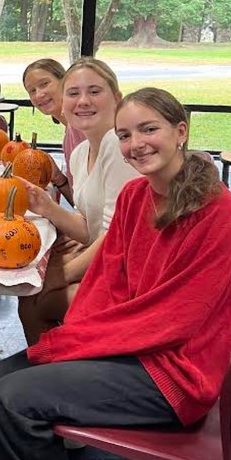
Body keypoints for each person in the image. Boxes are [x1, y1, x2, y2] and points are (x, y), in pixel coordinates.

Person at [0, 88, 231, 460]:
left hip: (173, 371)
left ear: (181, 132)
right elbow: (107, 278)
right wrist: (79, 332)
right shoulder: (138, 195)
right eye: (125, 134)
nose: (136, 143)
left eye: (149, 129)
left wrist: (87, 342)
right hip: (132, 345)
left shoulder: (217, 213)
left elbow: (179, 318)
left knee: (15, 397)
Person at [13, 58, 139, 345]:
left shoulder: (119, 148)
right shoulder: (82, 152)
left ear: (116, 99)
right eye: (74, 94)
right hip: (107, 262)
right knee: (31, 289)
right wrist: (46, 206)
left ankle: (56, 371)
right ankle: (52, 367)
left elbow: (115, 237)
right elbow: (88, 227)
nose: (83, 101)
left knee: (36, 299)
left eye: (94, 92)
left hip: (129, 277)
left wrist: (63, 275)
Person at [23, 58, 84, 194]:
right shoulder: (69, 133)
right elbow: (82, 205)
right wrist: (58, 178)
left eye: (44, 84)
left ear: (65, 81)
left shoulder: (81, 128)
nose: (39, 94)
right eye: (32, 91)